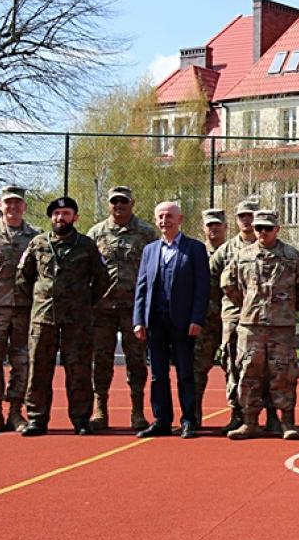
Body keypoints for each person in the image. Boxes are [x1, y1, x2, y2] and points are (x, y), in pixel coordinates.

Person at [17, 197, 109, 436]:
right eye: (56, 214)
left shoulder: (86, 245)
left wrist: (86, 303)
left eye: (66, 213)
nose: (61, 218)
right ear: (51, 218)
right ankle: (37, 419)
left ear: (75, 217)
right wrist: (39, 300)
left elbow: (102, 279)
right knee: (39, 369)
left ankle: (80, 419)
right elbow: (23, 278)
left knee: (78, 370)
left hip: (77, 319)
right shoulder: (38, 244)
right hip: (43, 318)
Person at [222, 209, 299, 440]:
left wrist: (286, 309)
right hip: (251, 326)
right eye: (258, 228)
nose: (262, 232)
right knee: (249, 373)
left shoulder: (292, 257)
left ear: (277, 230)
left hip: (281, 327)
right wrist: (248, 306)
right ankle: (250, 422)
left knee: (284, 374)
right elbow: (229, 285)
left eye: (268, 228)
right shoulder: (242, 255)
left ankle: (286, 422)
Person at [132, 202, 210, 438]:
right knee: (158, 374)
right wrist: (139, 320)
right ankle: (161, 420)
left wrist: (197, 318)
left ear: (180, 219)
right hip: (155, 321)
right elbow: (142, 287)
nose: (165, 221)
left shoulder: (194, 249)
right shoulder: (150, 250)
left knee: (185, 373)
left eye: (169, 216)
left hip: (184, 322)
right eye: (160, 217)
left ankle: (188, 420)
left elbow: (202, 288)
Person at [88, 185, 159, 432]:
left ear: (132, 203)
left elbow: (155, 270)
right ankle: (100, 409)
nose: (119, 206)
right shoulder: (96, 233)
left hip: (134, 308)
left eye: (123, 202)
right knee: (101, 360)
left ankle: (137, 411)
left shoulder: (146, 233)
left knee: (136, 361)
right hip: (102, 308)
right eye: (114, 202)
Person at [0, 185, 38, 432]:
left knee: (22, 360)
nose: (13, 207)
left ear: (24, 207)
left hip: (24, 308)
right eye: (8, 203)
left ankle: (16, 412)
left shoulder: (35, 236)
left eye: (17, 203)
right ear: (0, 205)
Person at [208, 198, 260, 435]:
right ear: (236, 220)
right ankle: (236, 413)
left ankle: (266, 414)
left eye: (250, 215)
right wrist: (228, 303)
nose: (247, 220)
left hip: (261, 316)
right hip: (234, 314)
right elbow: (211, 279)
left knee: (262, 365)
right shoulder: (226, 249)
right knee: (232, 364)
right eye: (242, 216)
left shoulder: (269, 244)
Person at [192, 208, 227, 427]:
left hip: (229, 320)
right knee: (197, 370)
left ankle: (239, 416)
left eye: (218, 224)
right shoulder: (194, 251)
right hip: (203, 321)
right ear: (203, 228)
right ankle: (193, 415)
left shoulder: (235, 251)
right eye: (209, 225)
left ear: (225, 227)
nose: (213, 228)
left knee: (234, 369)